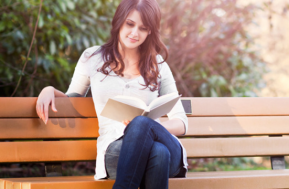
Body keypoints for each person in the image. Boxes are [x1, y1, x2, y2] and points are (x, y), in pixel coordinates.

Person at [35, 0, 188, 188]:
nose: (134, 33)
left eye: (143, 28)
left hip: (168, 149)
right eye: (130, 24)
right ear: (119, 22)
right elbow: (73, 98)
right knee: (158, 152)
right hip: (115, 151)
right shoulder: (92, 58)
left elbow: (181, 123)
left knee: (142, 125)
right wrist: (48, 90)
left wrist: (145, 127)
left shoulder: (158, 65)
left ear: (150, 32)